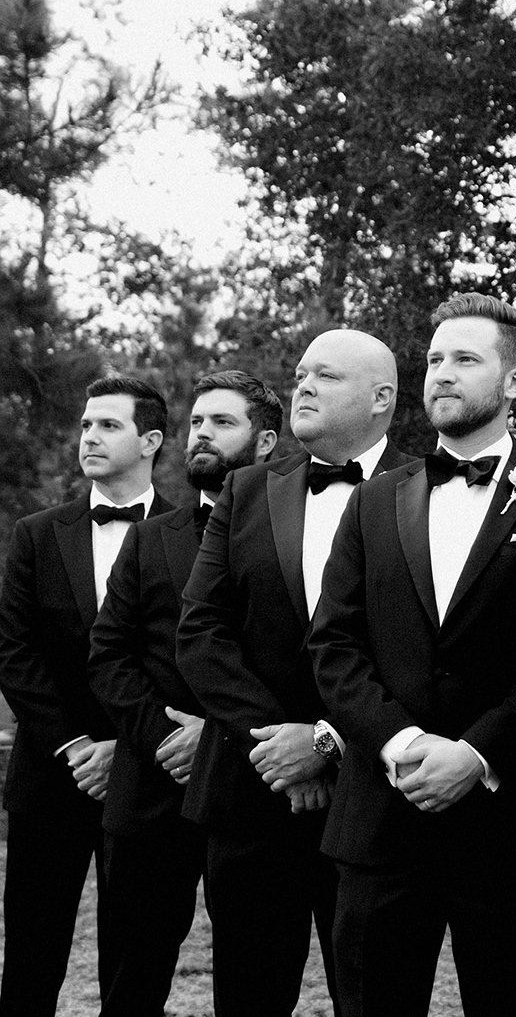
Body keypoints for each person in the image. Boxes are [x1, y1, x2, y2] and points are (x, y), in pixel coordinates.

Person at [309, 294, 516, 1016]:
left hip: (508, 827)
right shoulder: (375, 501)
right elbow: (333, 644)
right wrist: (405, 743)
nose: (442, 374)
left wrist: (476, 754)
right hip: (382, 819)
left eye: (465, 359)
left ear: (515, 383)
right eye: (435, 360)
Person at [176, 330, 410, 1017]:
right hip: (251, 793)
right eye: (302, 373)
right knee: (248, 994)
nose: (303, 385)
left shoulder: (422, 488)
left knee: (371, 995)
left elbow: (428, 650)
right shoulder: (247, 490)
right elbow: (201, 632)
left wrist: (329, 739)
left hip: (372, 795)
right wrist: (275, 740)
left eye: (325, 376)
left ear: (380, 398)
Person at [88, 370, 282, 1016]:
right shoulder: (149, 538)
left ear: (264, 443)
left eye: (222, 423)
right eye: (197, 421)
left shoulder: (293, 536)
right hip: (149, 794)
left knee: (253, 981)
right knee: (128, 983)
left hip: (251, 796)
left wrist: (221, 735)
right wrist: (167, 737)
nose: (201, 434)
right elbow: (110, 655)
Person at [0, 375, 171, 1017]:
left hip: (149, 778)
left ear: (151, 439)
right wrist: (76, 745)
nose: (89, 437)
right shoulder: (37, 534)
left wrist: (127, 744)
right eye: (85, 424)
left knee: (138, 959)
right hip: (50, 774)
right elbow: (15, 654)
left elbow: (185, 658)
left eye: (108, 425)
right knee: (31, 960)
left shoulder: (191, 532)